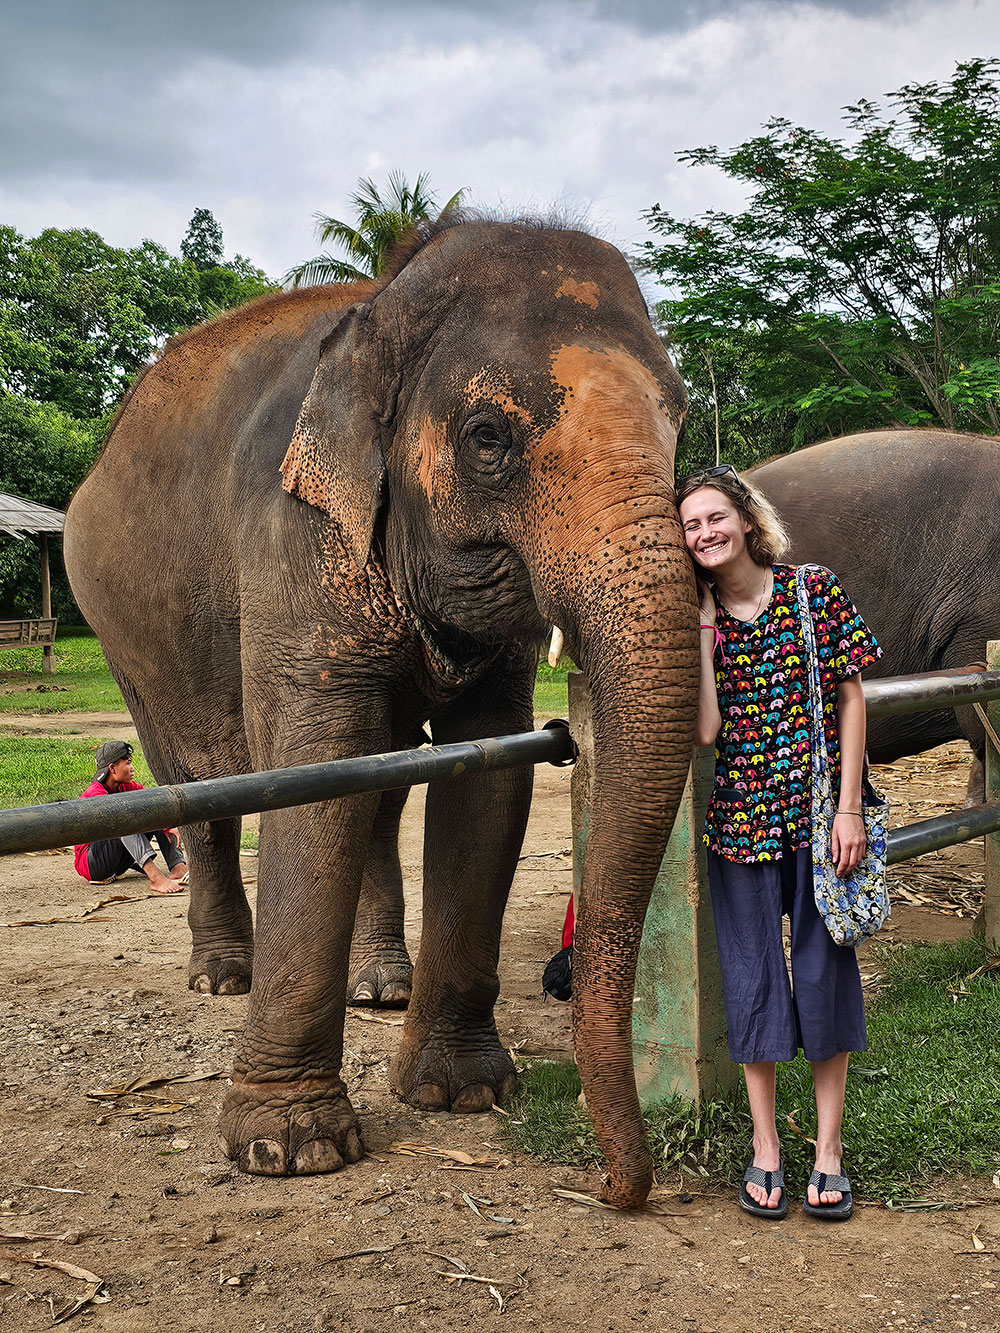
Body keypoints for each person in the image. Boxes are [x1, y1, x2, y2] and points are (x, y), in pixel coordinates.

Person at [676, 464, 881, 1223]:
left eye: (714, 517)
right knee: (754, 981)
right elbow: (705, 731)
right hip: (739, 826)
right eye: (691, 525)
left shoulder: (812, 588)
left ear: (745, 516)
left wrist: (850, 808)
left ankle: (828, 1151)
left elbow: (852, 693)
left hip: (820, 820)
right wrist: (700, 629)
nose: (704, 533)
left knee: (826, 976)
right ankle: (767, 1145)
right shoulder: (703, 615)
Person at [73, 740, 187, 895]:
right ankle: (155, 878)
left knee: (156, 812)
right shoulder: (94, 793)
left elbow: (155, 805)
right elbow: (120, 820)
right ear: (112, 768)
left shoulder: (127, 786)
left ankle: (177, 867)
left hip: (117, 863)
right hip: (94, 865)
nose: (132, 768)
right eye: (128, 763)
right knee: (122, 821)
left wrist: (168, 826)